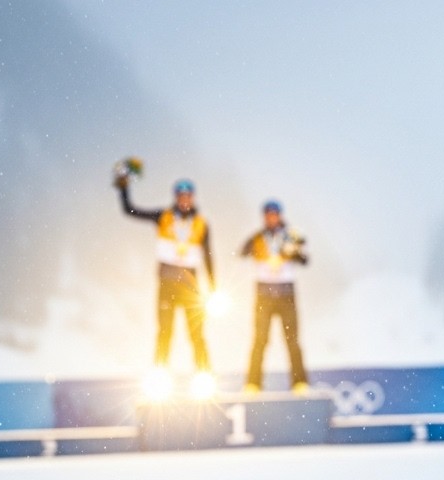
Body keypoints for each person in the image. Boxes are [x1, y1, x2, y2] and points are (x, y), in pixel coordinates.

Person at [114, 165, 216, 394]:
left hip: (191, 285)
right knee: (164, 331)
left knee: (196, 333)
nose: (184, 200)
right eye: (181, 196)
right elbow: (130, 211)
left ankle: (205, 376)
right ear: (176, 197)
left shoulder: (201, 223)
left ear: (193, 198)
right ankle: (159, 380)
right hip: (167, 283)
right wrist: (124, 188)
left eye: (188, 196)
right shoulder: (163, 217)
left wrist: (214, 287)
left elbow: (209, 256)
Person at [239, 200, 310, 394]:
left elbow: (305, 259)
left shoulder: (291, 236)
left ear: (280, 216)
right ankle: (253, 383)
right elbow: (242, 252)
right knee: (260, 340)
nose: (271, 218)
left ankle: (299, 383)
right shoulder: (258, 237)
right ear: (264, 217)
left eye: (274, 214)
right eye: (268, 215)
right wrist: (255, 250)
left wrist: (291, 251)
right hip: (264, 295)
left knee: (292, 340)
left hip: (286, 294)